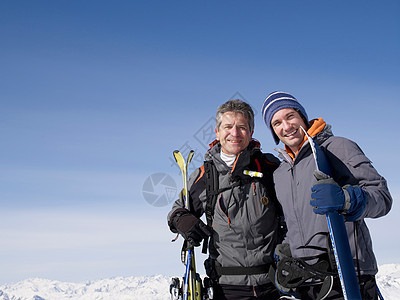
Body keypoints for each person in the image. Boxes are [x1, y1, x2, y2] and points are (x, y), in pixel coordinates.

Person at [261, 91, 392, 299]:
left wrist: (346, 200)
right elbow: (292, 222)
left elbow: (382, 197)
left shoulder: (337, 147)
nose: (286, 127)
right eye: (276, 123)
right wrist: (285, 249)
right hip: (307, 283)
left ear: (302, 116)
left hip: (348, 276)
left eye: (290, 117)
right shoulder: (281, 173)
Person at [168, 99, 283, 299]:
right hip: (226, 288)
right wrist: (182, 220)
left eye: (242, 127)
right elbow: (178, 210)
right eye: (228, 127)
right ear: (217, 132)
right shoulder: (206, 174)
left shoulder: (269, 167)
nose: (235, 133)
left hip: (274, 284)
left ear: (251, 132)